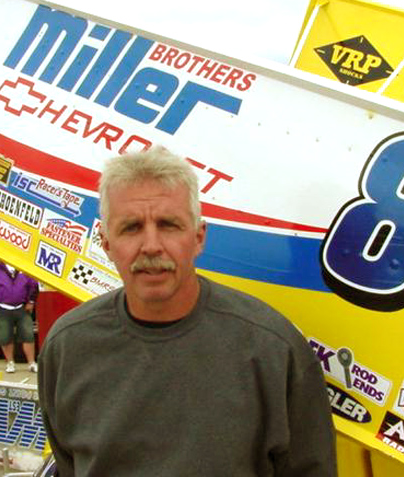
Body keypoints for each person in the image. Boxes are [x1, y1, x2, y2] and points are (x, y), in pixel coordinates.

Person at [38, 146, 338, 476]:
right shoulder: (68, 347)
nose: (151, 246)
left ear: (198, 237)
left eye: (169, 225)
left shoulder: (273, 350)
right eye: (131, 227)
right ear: (106, 242)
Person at [0, 261, 39, 373]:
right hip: (2, 309)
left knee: (28, 335)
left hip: (22, 308)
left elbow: (34, 285)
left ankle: (31, 363)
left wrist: (31, 301)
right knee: (5, 337)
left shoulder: (24, 267)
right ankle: (10, 362)